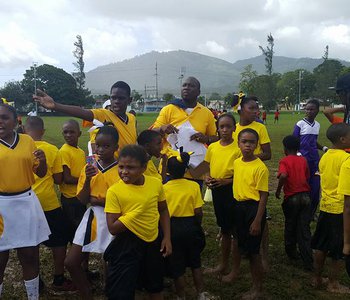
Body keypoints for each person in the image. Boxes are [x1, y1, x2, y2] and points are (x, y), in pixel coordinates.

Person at [104, 145, 172, 299]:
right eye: (121, 167)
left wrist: (167, 237)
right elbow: (113, 228)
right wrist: (138, 210)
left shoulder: (155, 183)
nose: (124, 171)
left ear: (144, 167)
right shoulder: (114, 192)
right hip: (126, 243)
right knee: (121, 289)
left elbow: (163, 210)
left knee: (155, 285)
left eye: (131, 167)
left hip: (152, 240)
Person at [0, 104, 50, 299]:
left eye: (4, 117)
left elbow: (41, 172)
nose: (0, 121)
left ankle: (33, 296)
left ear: (15, 120)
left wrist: (43, 161)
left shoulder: (27, 141)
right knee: (1, 257)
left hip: (25, 202)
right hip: (1, 205)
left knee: (29, 255)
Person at [64, 126, 120, 299]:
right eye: (98, 145)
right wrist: (88, 179)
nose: (100, 150)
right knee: (71, 262)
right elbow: (81, 200)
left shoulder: (121, 168)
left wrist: (99, 200)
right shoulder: (89, 166)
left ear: (116, 147)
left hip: (115, 218)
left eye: (106, 146)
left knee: (112, 262)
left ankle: (111, 291)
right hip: (93, 217)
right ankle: (86, 294)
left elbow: (124, 200)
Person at [24, 116, 74, 292]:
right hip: (48, 203)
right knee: (59, 241)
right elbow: (59, 179)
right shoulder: (53, 149)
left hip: (26, 203)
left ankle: (35, 282)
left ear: (23, 129)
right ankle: (59, 279)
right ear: (43, 131)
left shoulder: (21, 149)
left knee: (31, 245)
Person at [190, 113, 241, 282]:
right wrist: (207, 177)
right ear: (217, 129)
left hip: (233, 191)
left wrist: (227, 181)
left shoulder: (238, 149)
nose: (225, 130)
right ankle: (223, 264)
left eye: (228, 126)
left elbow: (243, 175)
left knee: (235, 231)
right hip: (218, 191)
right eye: (221, 127)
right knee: (224, 229)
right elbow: (208, 166)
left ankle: (235, 269)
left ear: (234, 128)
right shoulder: (213, 147)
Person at [33, 81, 137, 151]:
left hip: (129, 167)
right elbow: (82, 112)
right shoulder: (104, 114)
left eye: (121, 98)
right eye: (113, 98)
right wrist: (56, 106)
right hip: (111, 168)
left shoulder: (132, 118)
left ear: (129, 100)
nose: (116, 101)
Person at [151, 77, 217, 181]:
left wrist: (206, 138)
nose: (186, 88)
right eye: (184, 85)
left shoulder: (206, 113)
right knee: (168, 196)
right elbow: (151, 134)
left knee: (193, 194)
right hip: (170, 168)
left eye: (191, 86)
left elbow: (216, 138)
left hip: (196, 169)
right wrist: (162, 129)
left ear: (198, 92)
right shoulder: (169, 109)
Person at [232, 96, 271, 270]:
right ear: (241, 109)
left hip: (253, 178)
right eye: (252, 108)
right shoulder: (234, 128)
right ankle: (240, 258)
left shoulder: (259, 127)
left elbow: (268, 153)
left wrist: (249, 159)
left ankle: (263, 255)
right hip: (235, 177)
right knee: (236, 228)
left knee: (261, 222)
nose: (256, 111)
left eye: (257, 108)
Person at [311, 123, 350, 293]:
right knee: (340, 250)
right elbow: (347, 196)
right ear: (342, 139)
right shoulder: (346, 160)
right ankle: (333, 283)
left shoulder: (325, 156)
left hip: (325, 207)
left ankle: (316, 278)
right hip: (341, 210)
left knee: (321, 245)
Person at [164, 152, 206, 299]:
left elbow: (162, 213)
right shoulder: (194, 186)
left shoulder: (164, 188)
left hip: (172, 228)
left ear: (168, 171)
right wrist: (197, 226)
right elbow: (198, 211)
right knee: (196, 262)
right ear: (186, 169)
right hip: (191, 226)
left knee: (177, 266)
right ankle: (201, 293)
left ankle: (181, 296)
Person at [233, 128, 269, 299]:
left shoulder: (260, 167)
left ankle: (258, 289)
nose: (248, 145)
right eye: (244, 142)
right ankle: (238, 273)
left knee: (254, 253)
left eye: (252, 142)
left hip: (254, 209)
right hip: (239, 208)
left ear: (257, 145)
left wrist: (257, 220)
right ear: (238, 143)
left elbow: (263, 196)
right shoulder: (237, 162)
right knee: (241, 244)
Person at [275, 135, 313, 270]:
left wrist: (279, 190)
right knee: (304, 228)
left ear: (285, 148)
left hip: (292, 198)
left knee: (290, 225)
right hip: (306, 197)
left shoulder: (284, 161)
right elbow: (307, 176)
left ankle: (291, 252)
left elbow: (283, 175)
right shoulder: (303, 160)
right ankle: (308, 259)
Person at [292, 99, 328, 221]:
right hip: (303, 160)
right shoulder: (300, 124)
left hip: (315, 160)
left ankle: (312, 213)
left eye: (311, 109)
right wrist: (297, 153)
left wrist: (322, 147)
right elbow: (294, 141)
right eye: (307, 109)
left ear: (317, 110)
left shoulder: (317, 125)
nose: (308, 111)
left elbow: (312, 141)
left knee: (315, 187)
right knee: (303, 187)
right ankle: (301, 213)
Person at [59, 120, 86, 242]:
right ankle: (75, 258)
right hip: (70, 199)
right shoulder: (64, 151)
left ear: (79, 134)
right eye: (65, 132)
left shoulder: (80, 151)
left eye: (72, 132)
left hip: (80, 196)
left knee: (82, 230)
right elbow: (67, 178)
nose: (68, 135)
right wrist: (85, 180)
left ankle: (82, 258)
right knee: (74, 232)